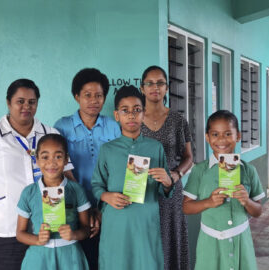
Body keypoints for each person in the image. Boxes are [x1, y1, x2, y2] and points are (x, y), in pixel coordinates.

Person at [0, 79, 73, 270]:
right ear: (8, 102)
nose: (26, 106)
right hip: (6, 228)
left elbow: (68, 178)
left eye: (32, 102)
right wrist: (1, 191)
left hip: (45, 227)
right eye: (20, 101)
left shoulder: (50, 133)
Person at [91, 85, 174, 270]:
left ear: (143, 114)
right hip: (116, 222)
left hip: (146, 221)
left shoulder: (156, 148)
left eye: (137, 110)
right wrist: (107, 196)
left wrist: (168, 182)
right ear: (116, 115)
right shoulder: (107, 150)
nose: (131, 115)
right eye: (125, 110)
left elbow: (164, 190)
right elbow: (96, 185)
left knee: (147, 263)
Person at [54, 68, 121, 269]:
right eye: (87, 95)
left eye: (99, 96)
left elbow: (118, 168)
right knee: (78, 260)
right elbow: (61, 168)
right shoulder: (62, 126)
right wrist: (86, 207)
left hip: (108, 205)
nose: (94, 100)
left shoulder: (113, 126)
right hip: (74, 205)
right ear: (77, 97)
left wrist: (101, 208)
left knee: (107, 259)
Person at [182, 110, 265, 270]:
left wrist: (246, 201)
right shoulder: (200, 170)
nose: (221, 140)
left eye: (228, 134)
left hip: (241, 242)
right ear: (207, 137)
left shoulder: (248, 170)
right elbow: (186, 207)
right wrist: (208, 202)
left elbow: (258, 211)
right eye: (215, 134)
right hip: (210, 244)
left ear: (238, 136)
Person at [140, 65, 192, 270]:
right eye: (150, 83)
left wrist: (176, 175)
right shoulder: (133, 119)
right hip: (141, 191)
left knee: (171, 239)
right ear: (142, 88)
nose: (155, 87)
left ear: (167, 88)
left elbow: (189, 157)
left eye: (160, 83)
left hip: (171, 191)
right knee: (146, 240)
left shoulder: (178, 120)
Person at [16, 134, 91, 270]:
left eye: (58, 156)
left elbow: (86, 229)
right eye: (45, 157)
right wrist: (37, 239)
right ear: (37, 160)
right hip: (39, 257)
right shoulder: (29, 192)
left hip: (70, 256)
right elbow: (20, 233)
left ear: (66, 159)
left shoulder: (76, 190)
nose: (51, 163)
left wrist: (74, 235)